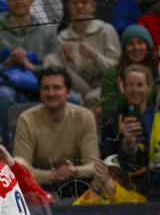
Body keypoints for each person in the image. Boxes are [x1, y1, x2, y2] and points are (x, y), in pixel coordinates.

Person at [0, 0, 62, 147]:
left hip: (41, 85)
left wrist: (30, 66)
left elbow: (57, 71)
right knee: (3, 94)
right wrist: (8, 63)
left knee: (70, 97)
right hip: (6, 86)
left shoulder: (48, 32)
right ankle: (6, 149)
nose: (18, 1)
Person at [13, 68, 99, 196]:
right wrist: (53, 175)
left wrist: (74, 171)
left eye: (57, 87)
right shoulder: (26, 119)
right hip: (37, 187)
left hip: (75, 184)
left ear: (69, 92)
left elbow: (93, 165)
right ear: (40, 92)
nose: (51, 93)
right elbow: (21, 170)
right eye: (45, 88)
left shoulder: (85, 117)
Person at [44, 0, 121, 107]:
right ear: (69, 7)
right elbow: (71, 76)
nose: (79, 6)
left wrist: (95, 56)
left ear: (93, 6)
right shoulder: (62, 38)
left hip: (104, 86)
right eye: (75, 3)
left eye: (84, 2)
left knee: (91, 98)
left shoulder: (106, 30)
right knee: (50, 59)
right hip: (80, 88)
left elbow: (118, 70)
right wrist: (69, 61)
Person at [99, 63, 158, 197]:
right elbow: (108, 157)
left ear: (149, 88)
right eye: (130, 85)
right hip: (124, 184)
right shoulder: (112, 119)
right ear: (123, 88)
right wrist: (128, 144)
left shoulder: (157, 116)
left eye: (140, 85)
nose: (134, 89)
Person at [100, 24, 157, 114]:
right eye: (130, 43)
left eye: (140, 42)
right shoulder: (112, 74)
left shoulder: (157, 73)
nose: (135, 48)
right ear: (124, 49)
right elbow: (108, 111)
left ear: (148, 46)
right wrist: (125, 96)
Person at [73, 155, 148, 205]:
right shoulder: (91, 193)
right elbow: (76, 214)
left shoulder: (138, 198)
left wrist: (108, 182)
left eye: (118, 175)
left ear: (127, 179)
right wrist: (95, 191)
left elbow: (127, 201)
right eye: (110, 173)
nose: (113, 178)